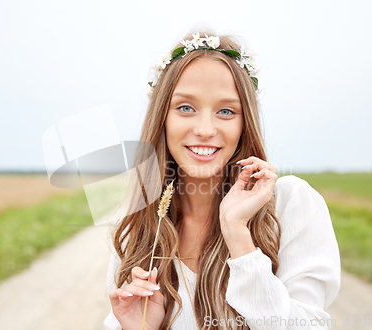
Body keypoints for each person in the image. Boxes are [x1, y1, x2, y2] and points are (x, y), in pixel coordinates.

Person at [104, 30, 340, 330]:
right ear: (162, 117)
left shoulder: (291, 203)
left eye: (226, 111)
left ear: (245, 122)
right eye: (185, 107)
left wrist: (237, 234)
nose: (204, 129)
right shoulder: (138, 225)